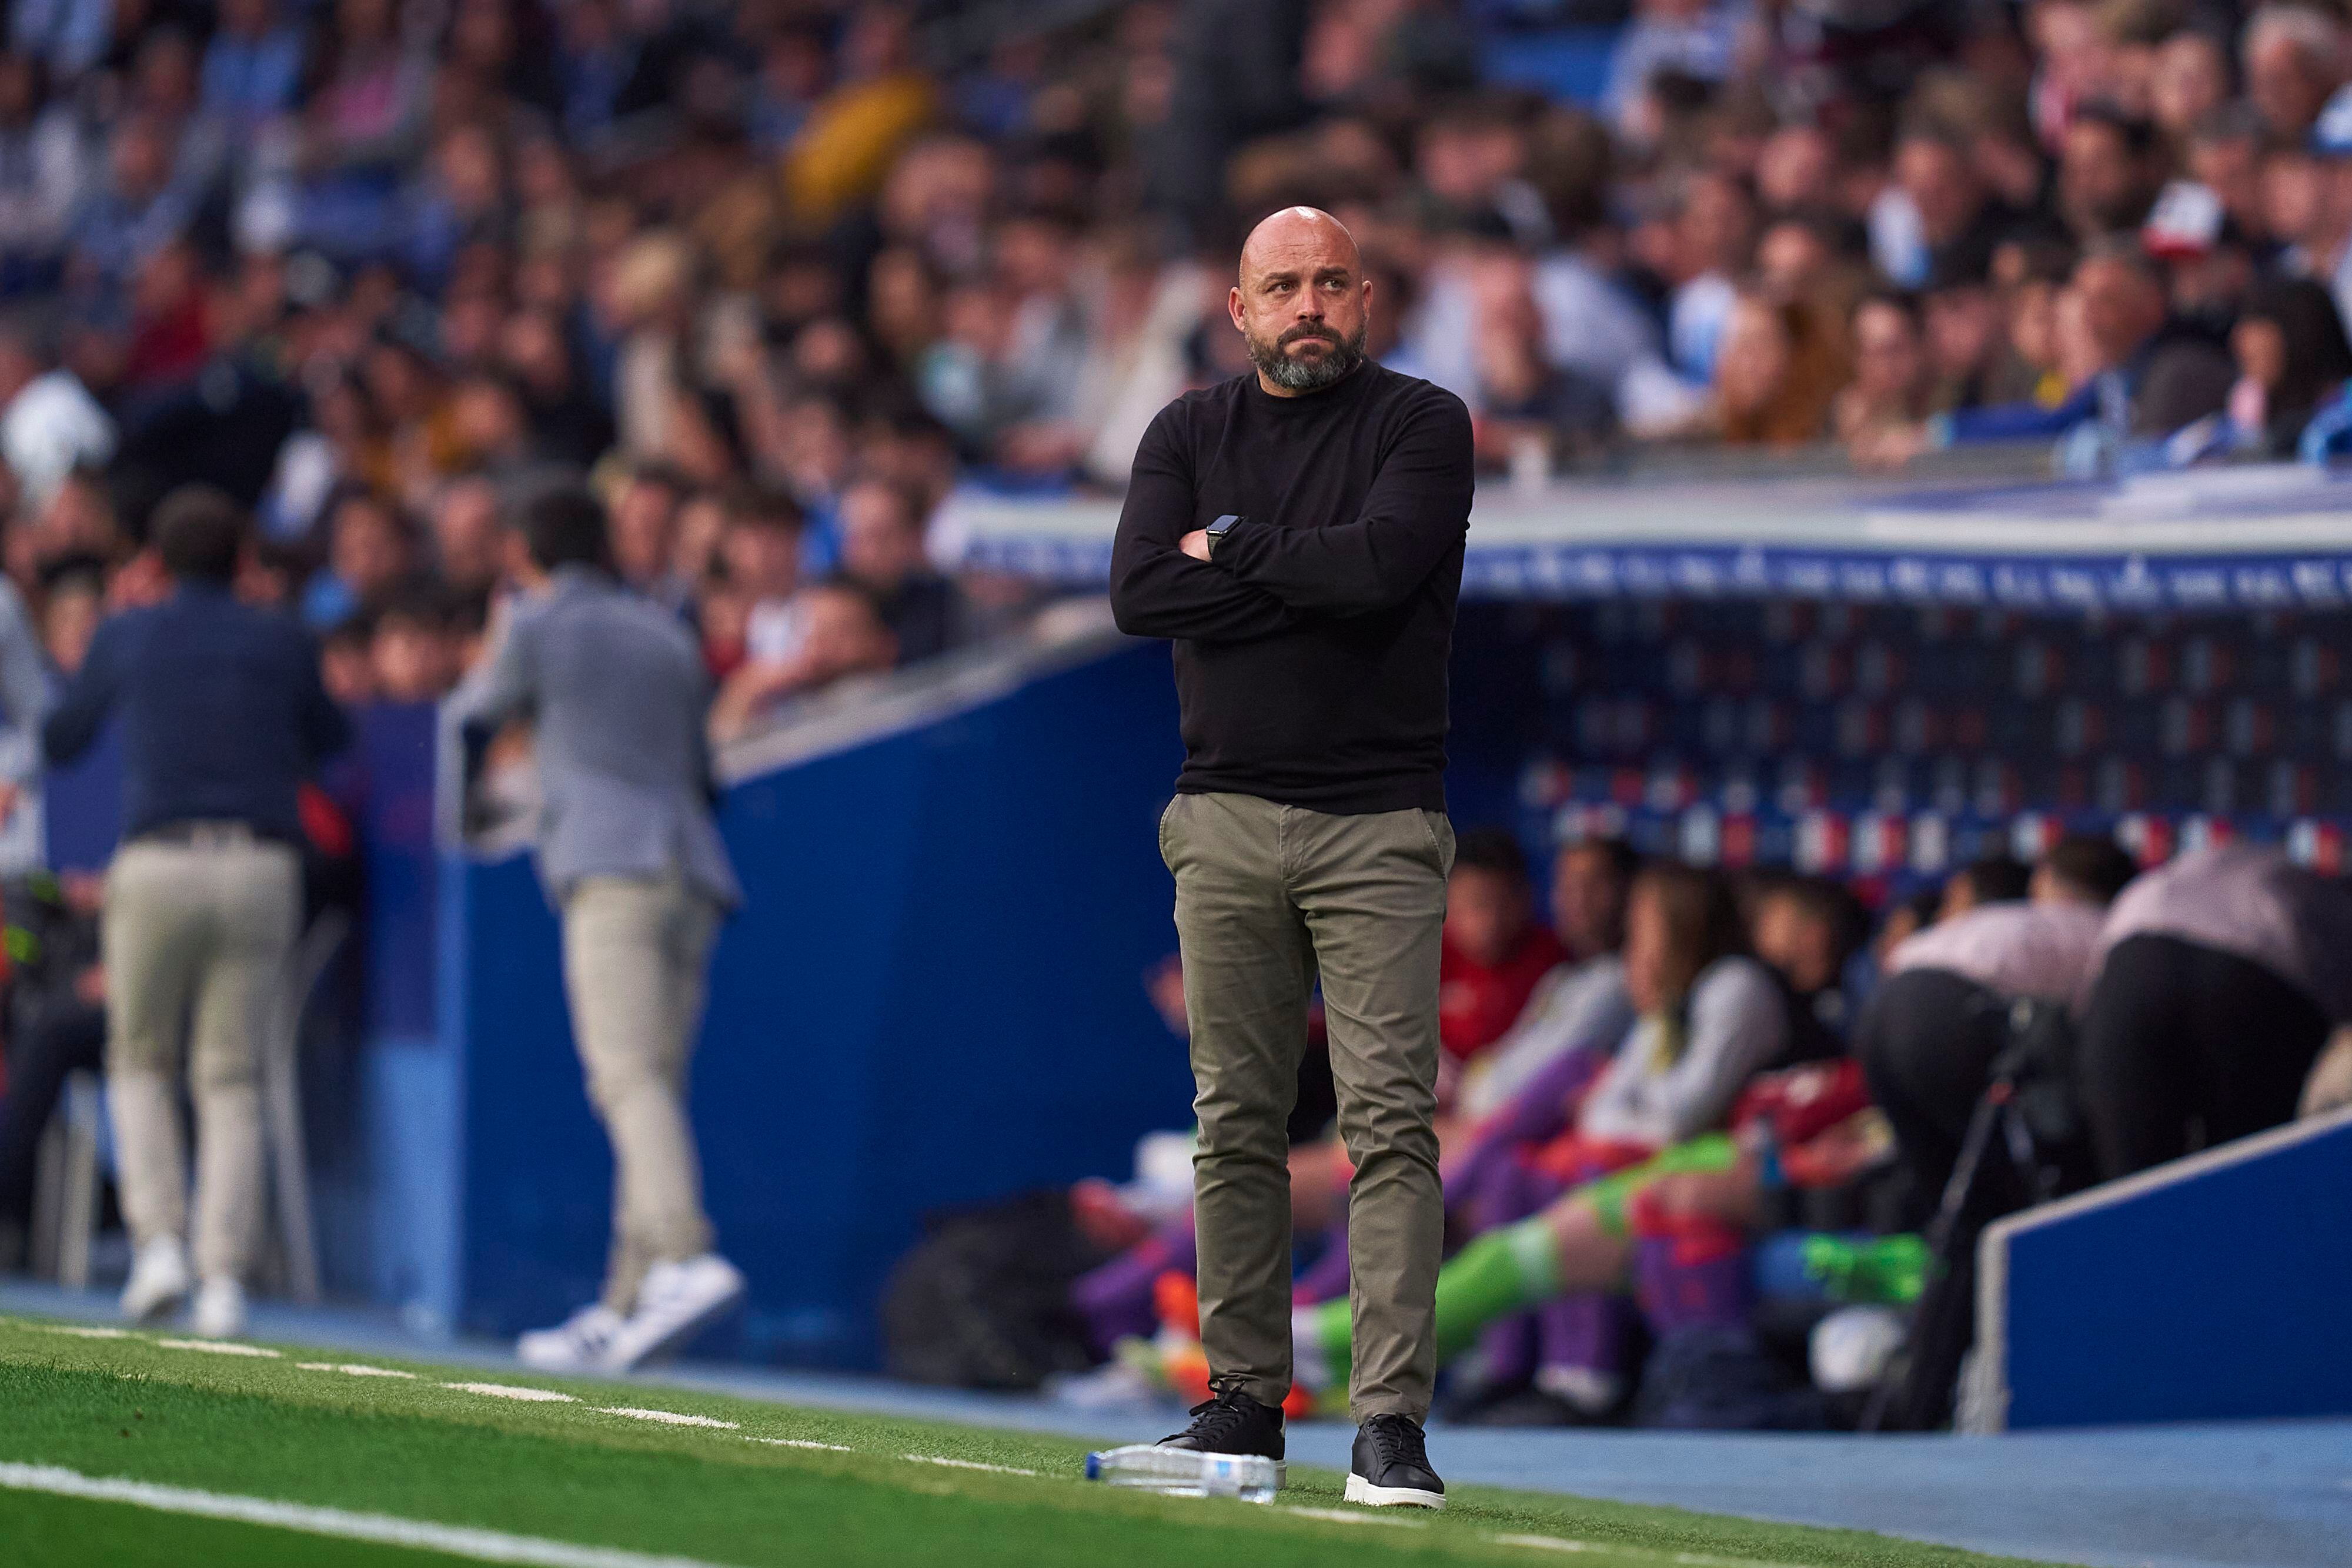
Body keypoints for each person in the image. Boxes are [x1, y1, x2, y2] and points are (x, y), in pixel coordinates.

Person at [1107, 205, 1473, 1510]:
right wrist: (1302, 577)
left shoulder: (1422, 424)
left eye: (1329, 283)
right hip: (1221, 816)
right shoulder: (1185, 432)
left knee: (1387, 1125)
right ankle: (1242, 1407)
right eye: (1284, 286)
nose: (1308, 304)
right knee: (1233, 1124)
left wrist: (1243, 549)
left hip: (1378, 820)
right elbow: (1141, 593)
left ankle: (1387, 1428)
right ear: (1239, 306)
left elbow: (1381, 571)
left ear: (1362, 297)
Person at [444, 486, 747, 1372]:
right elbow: (704, 774)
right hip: (692, 871)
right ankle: (624, 1305)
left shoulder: (534, 620)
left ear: (525, 554)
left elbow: (466, 717)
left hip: (611, 869)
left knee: (624, 1079)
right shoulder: (665, 629)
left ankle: (684, 1256)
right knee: (649, 1084)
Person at [40, 486, 349, 1339]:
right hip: (260, 866)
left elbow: (63, 736)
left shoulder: (129, 631)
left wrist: (121, 620)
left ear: (154, 562)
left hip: (158, 863)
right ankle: (223, 1279)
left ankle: (160, 1243)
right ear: (245, 561)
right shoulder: (281, 637)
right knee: (233, 1076)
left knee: (139, 1056)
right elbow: (334, 738)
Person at [1856, 833, 2140, 1225]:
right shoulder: (2108, 930)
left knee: (1949, 1206)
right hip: (1943, 1015)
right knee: (2008, 1199)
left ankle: (1957, 1280)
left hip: (1882, 1008)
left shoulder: (2012, 918)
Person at [2077, 842, 2352, 1178]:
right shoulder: (2315, 889)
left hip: (2132, 970)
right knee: (2247, 1168)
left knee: (2129, 1185)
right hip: (2253, 979)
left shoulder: (2167, 878)